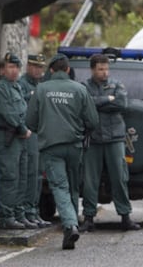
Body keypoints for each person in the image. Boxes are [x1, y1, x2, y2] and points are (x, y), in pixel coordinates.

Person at [26, 53, 98, 250]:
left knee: (59, 186)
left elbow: (29, 122)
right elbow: (93, 121)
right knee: (73, 187)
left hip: (51, 147)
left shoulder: (41, 89)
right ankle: (70, 228)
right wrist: (81, 131)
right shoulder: (80, 89)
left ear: (51, 70)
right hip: (75, 146)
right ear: (67, 70)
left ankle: (70, 225)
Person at [79, 54, 141, 232]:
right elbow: (86, 105)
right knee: (90, 180)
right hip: (94, 138)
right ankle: (89, 217)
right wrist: (108, 99)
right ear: (92, 69)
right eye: (100, 69)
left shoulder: (117, 85)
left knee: (119, 178)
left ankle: (125, 216)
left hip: (115, 138)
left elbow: (122, 104)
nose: (104, 72)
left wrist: (98, 103)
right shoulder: (84, 86)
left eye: (106, 69)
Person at [0, 52, 32, 229]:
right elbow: (7, 113)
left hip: (20, 138)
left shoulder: (16, 87)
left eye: (16, 67)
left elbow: (23, 111)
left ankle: (18, 213)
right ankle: (6, 216)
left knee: (22, 177)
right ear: (2, 70)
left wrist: (26, 128)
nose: (14, 71)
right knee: (10, 177)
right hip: (8, 137)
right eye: (10, 67)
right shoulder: (1, 88)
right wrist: (22, 129)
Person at [17, 54, 52, 228]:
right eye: (35, 67)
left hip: (41, 133)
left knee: (38, 175)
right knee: (29, 173)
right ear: (28, 67)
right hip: (29, 133)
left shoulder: (42, 85)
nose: (39, 70)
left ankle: (34, 210)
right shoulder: (21, 85)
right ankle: (25, 211)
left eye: (41, 67)